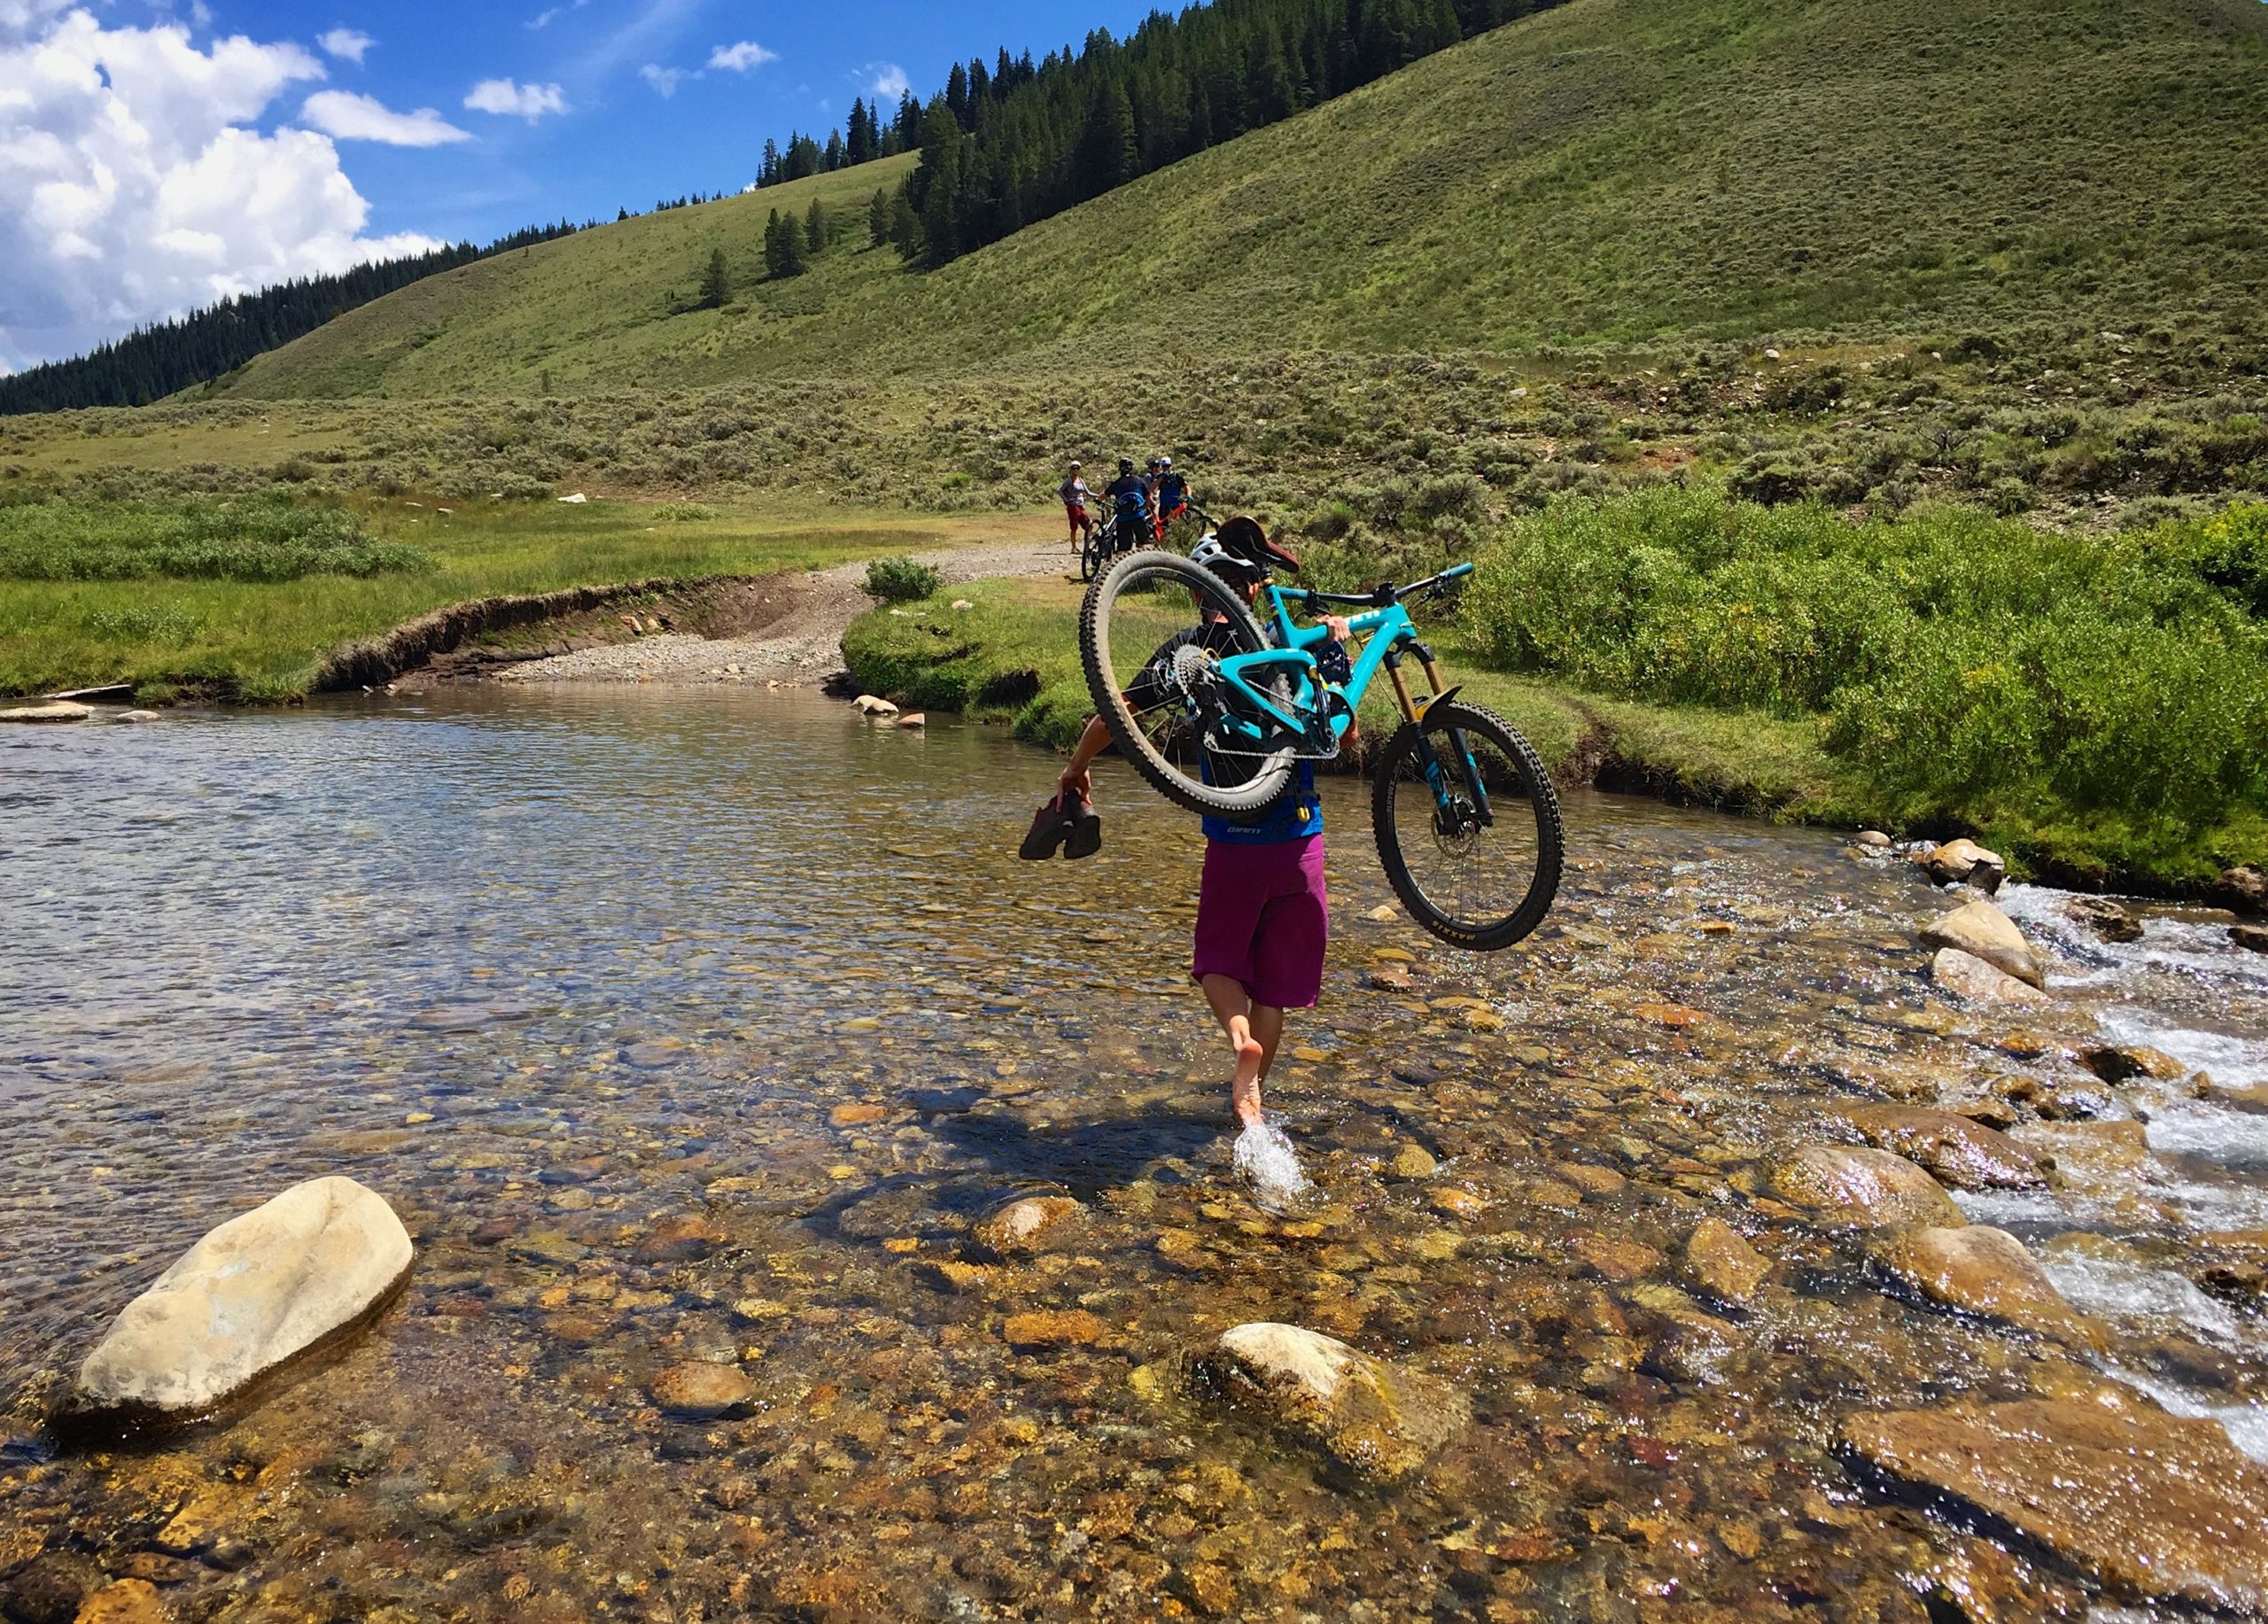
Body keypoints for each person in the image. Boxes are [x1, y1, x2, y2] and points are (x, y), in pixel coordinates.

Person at [1055, 521, 1352, 1135]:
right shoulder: (1292, 645)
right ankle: (1254, 1098)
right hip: (1300, 843)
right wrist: (1338, 650)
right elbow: (1344, 738)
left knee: (1218, 961)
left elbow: (1114, 715)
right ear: (1255, 586)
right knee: (1274, 986)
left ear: (1199, 591)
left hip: (1234, 843)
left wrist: (1076, 768)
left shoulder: (1185, 652)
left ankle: (1237, 1038)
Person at [1101, 457, 1150, 556]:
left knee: (1123, 550)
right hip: (1138, 516)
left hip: (1122, 519)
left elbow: (1103, 496)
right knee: (1144, 544)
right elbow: (1149, 499)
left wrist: (1098, 500)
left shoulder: (1116, 483)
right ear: (1132, 468)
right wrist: (1143, 508)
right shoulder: (1140, 481)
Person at [1058, 460, 1093, 548]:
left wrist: (1100, 496)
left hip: (1080, 506)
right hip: (1073, 506)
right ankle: (1074, 547)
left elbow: (1088, 492)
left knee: (1088, 525)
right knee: (1074, 527)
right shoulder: (1069, 481)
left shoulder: (1080, 480)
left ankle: (1086, 546)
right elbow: (1059, 490)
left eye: (1077, 468)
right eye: (1073, 468)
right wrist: (1067, 500)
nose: (1075, 470)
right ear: (1071, 469)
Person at [1155, 455, 1190, 533]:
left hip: (1176, 505)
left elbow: (1186, 487)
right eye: (1164, 466)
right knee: (1163, 526)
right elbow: (1152, 488)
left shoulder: (1177, 476)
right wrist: (1161, 478)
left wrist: (1189, 495)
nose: (1166, 468)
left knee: (1177, 526)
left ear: (1171, 466)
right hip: (1164, 506)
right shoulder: (1159, 477)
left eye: (1168, 466)